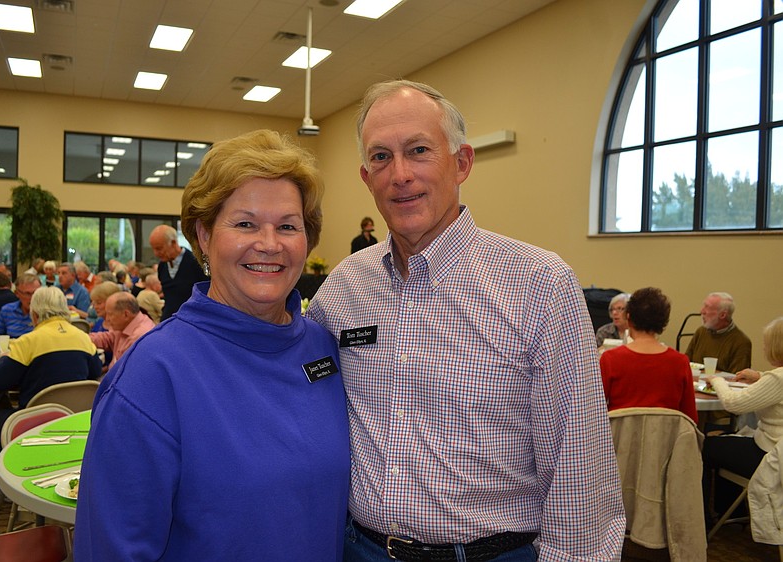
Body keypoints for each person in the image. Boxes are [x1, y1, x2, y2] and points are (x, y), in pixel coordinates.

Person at [307, 80, 624, 561]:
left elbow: (579, 466)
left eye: (418, 151)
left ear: (462, 163)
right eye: (381, 158)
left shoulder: (539, 284)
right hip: (361, 550)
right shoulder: (344, 289)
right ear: (366, 177)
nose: (400, 174)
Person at [75, 130, 349, 561]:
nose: (269, 244)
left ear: (307, 240)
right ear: (203, 236)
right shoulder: (152, 375)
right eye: (245, 223)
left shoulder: (324, 348)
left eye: (288, 226)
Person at [0, 287, 101, 478]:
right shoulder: (83, 338)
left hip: (36, 420)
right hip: (76, 418)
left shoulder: (28, 341)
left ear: (35, 313)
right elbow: (95, 372)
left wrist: (4, 358)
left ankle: (5, 479)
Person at [702, 316, 783, 520]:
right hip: (776, 449)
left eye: (766, 344)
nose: (764, 348)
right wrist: (760, 376)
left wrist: (717, 380)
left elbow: (734, 404)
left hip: (770, 454)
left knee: (703, 446)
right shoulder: (774, 378)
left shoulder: (777, 378)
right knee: (728, 439)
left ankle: (705, 519)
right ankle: (728, 511)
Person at [599, 287, 698, 423]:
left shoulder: (610, 359)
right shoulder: (680, 362)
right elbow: (690, 419)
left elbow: (595, 410)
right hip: (667, 441)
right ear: (663, 321)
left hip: (619, 441)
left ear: (628, 317)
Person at [149, 224, 208, 320]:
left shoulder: (196, 263)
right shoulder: (162, 266)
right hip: (169, 319)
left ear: (173, 243)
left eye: (159, 248)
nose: (156, 254)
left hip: (192, 320)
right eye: (154, 249)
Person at [685, 292, 752, 373]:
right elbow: (686, 363)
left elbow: (737, 379)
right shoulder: (701, 332)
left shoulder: (741, 342)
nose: (702, 311)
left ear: (722, 315)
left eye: (707, 307)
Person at [88, 292, 155, 369]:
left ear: (126, 314)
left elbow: (124, 374)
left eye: (110, 314)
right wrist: (80, 338)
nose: (107, 319)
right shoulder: (125, 324)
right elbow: (107, 338)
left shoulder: (138, 338)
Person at [0, 273, 41, 338]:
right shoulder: (7, 310)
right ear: (17, 293)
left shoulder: (46, 313)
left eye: (36, 293)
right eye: (27, 293)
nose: (33, 297)